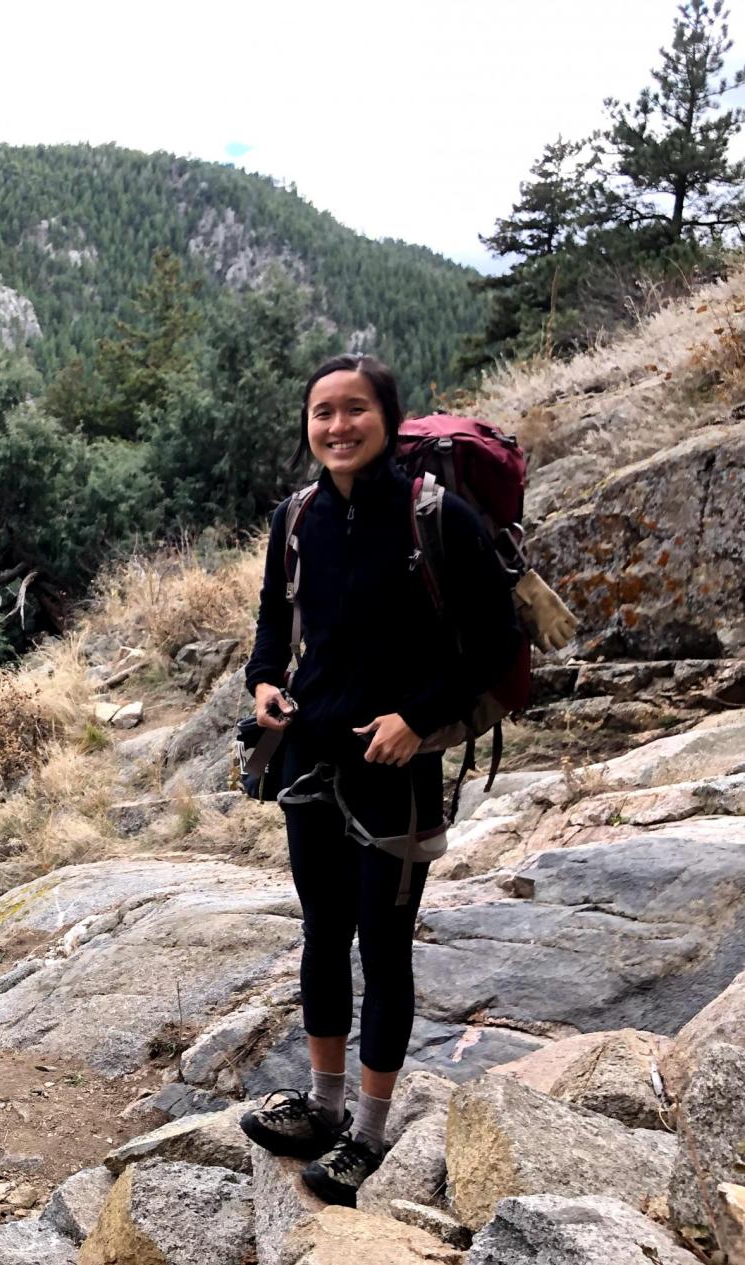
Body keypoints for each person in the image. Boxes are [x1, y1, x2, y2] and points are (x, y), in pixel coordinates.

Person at [240, 353, 521, 1206]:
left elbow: (496, 644)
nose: (336, 426)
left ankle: (368, 1130)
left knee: (384, 945)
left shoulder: (439, 517)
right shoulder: (297, 519)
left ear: (389, 419)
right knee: (324, 932)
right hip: (311, 757)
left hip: (396, 768)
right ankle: (322, 1108)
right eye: (322, 412)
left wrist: (414, 717)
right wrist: (264, 685)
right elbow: (270, 626)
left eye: (354, 410)